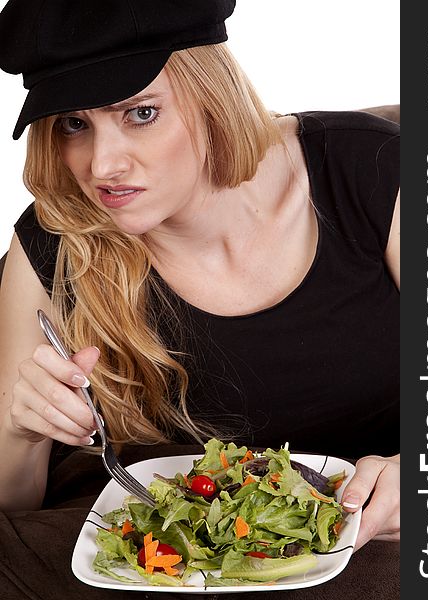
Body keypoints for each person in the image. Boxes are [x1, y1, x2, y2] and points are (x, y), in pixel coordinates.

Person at [0, 1, 400, 598]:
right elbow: (12, 508)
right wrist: (20, 430)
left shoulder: (375, 171)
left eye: (139, 112)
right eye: (73, 124)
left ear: (212, 93)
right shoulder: (55, 240)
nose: (102, 166)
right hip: (154, 570)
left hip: (374, 547)